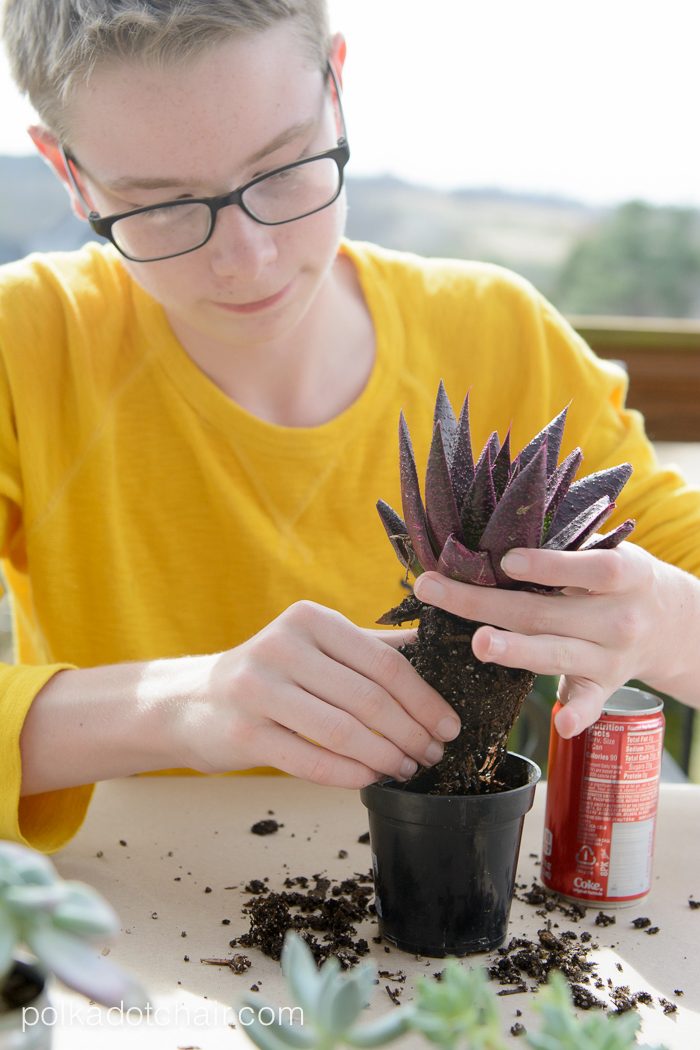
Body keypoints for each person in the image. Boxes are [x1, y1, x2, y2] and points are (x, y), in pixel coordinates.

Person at [1, 0, 699, 854]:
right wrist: (184, 705)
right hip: (123, 926)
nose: (247, 258)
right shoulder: (26, 345)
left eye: (285, 168)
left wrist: (665, 622)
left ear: (336, 87)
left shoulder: (500, 335)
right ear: (68, 174)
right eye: (160, 206)